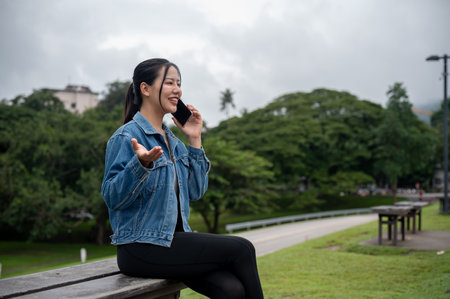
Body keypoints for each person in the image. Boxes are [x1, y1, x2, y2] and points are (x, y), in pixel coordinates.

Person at [101, 58, 264, 299]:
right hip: (141, 247)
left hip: (174, 244)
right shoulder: (126, 137)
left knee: (232, 290)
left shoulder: (175, 144)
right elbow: (112, 197)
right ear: (145, 89)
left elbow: (196, 192)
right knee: (242, 249)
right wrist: (140, 165)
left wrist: (195, 140)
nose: (177, 89)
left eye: (179, 83)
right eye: (169, 83)